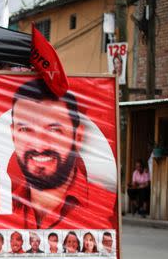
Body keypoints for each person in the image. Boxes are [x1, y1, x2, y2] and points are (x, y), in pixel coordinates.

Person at [8, 79, 116, 229]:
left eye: (54, 130)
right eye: (25, 130)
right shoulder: (0, 208)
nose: (39, 146)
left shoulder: (106, 205)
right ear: (13, 135)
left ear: (78, 137)